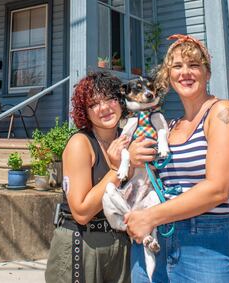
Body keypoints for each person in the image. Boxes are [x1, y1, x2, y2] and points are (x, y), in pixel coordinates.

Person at [126, 35, 229, 283]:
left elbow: (217, 189)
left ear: (207, 73)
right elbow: (147, 179)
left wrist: (150, 216)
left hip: (203, 245)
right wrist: (132, 158)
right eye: (177, 66)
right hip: (154, 241)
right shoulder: (169, 127)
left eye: (194, 65)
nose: (185, 73)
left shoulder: (223, 113)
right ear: (168, 75)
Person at [46, 71, 155, 283]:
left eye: (110, 99)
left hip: (122, 241)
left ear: (121, 100)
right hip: (82, 242)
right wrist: (117, 170)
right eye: (93, 104)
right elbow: (81, 211)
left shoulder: (130, 137)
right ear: (85, 112)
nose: (104, 108)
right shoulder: (80, 143)